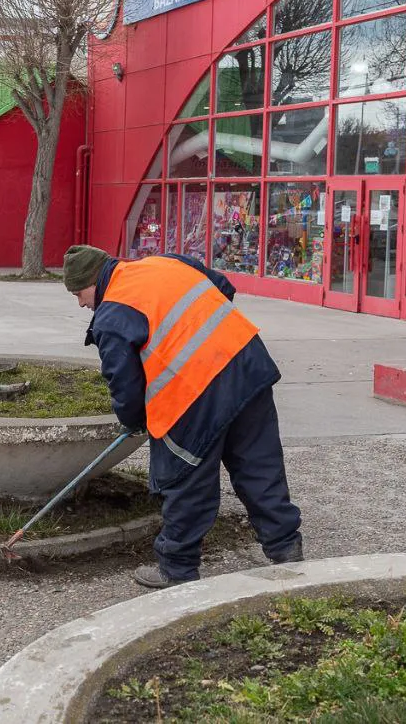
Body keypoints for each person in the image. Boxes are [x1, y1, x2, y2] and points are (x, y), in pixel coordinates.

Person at [63, 245, 303, 589]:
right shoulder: (165, 263)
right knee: (258, 463)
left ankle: (176, 569)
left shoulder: (112, 314)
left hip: (193, 395)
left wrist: (132, 420)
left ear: (92, 281)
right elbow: (222, 287)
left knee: (185, 480)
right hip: (246, 365)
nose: (82, 303)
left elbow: (126, 386)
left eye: (79, 294)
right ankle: (285, 547)